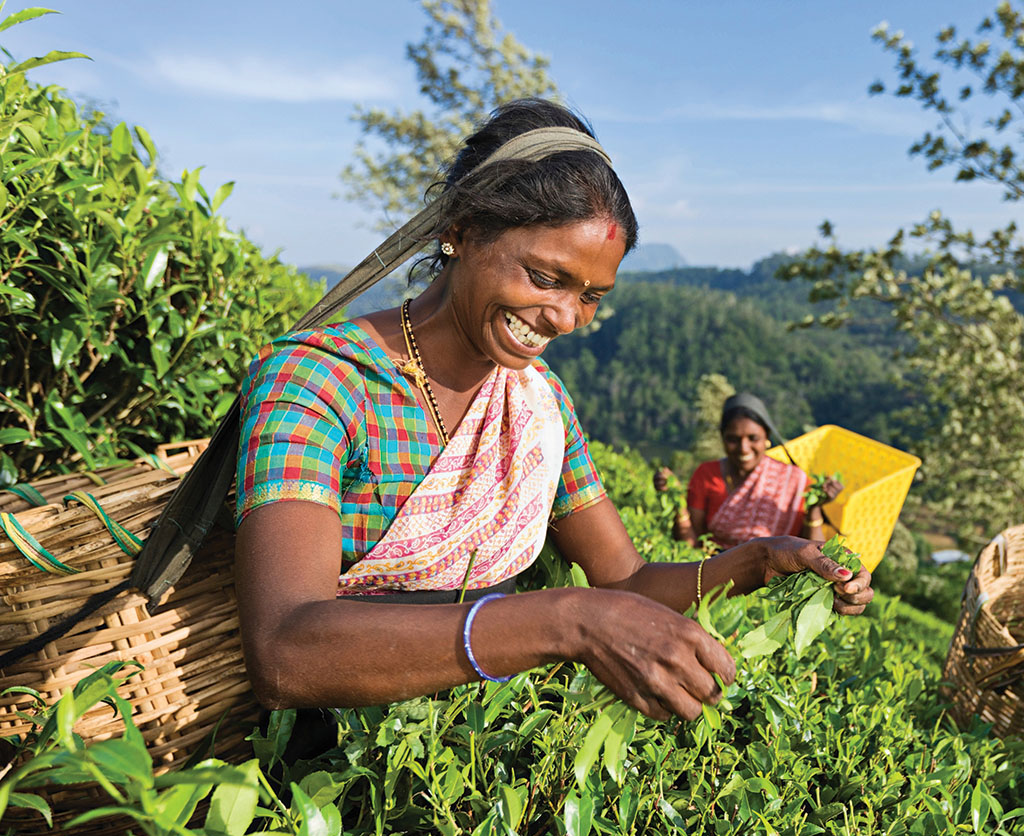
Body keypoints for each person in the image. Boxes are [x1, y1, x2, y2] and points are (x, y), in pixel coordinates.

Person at [234, 99, 871, 730]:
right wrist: (563, 621)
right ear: (459, 229)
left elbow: (626, 579)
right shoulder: (320, 383)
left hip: (470, 756)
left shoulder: (536, 401)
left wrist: (760, 560)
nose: (566, 319)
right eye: (544, 277)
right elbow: (285, 648)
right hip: (317, 772)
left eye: (591, 296)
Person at [655, 393, 843, 550]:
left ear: (766, 438)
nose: (744, 448)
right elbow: (689, 545)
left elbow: (813, 550)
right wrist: (675, 500)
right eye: (733, 439)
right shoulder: (707, 474)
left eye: (753, 438)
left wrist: (815, 507)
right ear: (722, 438)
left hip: (772, 587)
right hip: (713, 577)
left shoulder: (795, 482)